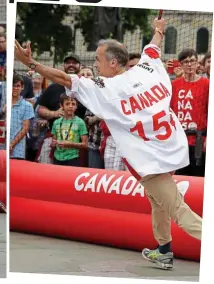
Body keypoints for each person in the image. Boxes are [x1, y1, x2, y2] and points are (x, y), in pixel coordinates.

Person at [14, 17, 202, 270]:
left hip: (150, 160)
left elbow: (64, 78)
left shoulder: (106, 88)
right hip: (171, 148)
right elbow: (153, 45)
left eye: (99, 60)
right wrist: (158, 29)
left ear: (113, 63)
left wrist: (32, 63)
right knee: (157, 201)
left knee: (178, 209)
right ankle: (164, 250)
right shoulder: (148, 68)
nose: (95, 64)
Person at [171, 49, 209, 177]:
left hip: (199, 140)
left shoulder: (206, 84)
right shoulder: (174, 85)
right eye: (185, 62)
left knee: (198, 178)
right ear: (180, 65)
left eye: (192, 61)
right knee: (179, 178)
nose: (189, 64)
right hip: (179, 141)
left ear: (197, 63)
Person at [51, 94, 88, 166]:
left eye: (73, 104)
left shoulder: (80, 122)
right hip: (57, 158)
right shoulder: (56, 122)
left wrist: (69, 144)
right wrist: (53, 143)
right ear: (61, 106)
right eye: (67, 104)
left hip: (72, 159)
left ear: (76, 106)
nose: (70, 106)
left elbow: (85, 145)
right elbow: (53, 142)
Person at [10, 74, 34, 159]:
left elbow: (25, 129)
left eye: (18, 86)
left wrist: (11, 145)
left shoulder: (27, 106)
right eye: (13, 85)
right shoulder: (3, 104)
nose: (15, 88)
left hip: (18, 150)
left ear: (22, 87)